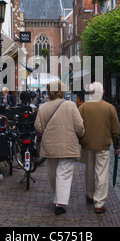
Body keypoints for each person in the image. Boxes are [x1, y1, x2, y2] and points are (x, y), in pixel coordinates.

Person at [35, 81, 84, 215]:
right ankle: (59, 202)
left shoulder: (43, 107)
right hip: (68, 145)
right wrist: (81, 133)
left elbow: (38, 127)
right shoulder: (70, 105)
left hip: (50, 145)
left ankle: (58, 198)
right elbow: (79, 126)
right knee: (64, 173)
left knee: (52, 173)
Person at [78, 82, 120, 214]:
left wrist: (80, 140)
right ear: (102, 93)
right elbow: (116, 129)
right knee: (101, 173)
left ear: (89, 93)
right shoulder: (109, 108)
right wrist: (117, 145)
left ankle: (90, 195)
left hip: (87, 144)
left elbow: (78, 127)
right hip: (103, 145)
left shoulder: (83, 107)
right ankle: (99, 202)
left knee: (89, 171)